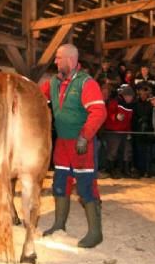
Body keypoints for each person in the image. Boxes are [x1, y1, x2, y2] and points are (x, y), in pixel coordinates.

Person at [40, 44, 107, 248]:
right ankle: (59, 224)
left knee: (86, 186)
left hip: (81, 145)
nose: (55, 61)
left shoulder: (86, 83)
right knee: (60, 184)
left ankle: (95, 233)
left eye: (58, 58)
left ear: (70, 60)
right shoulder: (53, 82)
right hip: (62, 143)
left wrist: (84, 137)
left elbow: (99, 112)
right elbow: (35, 96)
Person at [103, 85, 135, 178]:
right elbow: (108, 113)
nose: (130, 98)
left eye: (131, 96)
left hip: (124, 131)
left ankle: (125, 170)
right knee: (113, 151)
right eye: (128, 96)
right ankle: (111, 170)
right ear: (124, 96)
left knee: (127, 150)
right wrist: (115, 117)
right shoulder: (115, 102)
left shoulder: (130, 106)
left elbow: (129, 120)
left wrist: (128, 132)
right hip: (113, 130)